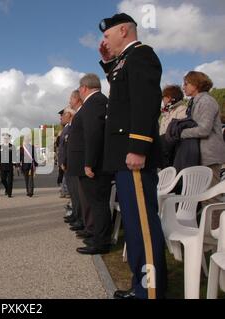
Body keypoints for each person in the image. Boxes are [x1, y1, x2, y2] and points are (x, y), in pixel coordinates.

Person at [99, 13, 167, 299]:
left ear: (123, 30)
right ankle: (142, 287)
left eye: (107, 36)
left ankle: (151, 292)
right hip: (123, 158)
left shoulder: (141, 55)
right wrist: (107, 63)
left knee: (143, 230)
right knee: (135, 228)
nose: (104, 41)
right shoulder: (126, 60)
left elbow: (144, 102)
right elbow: (122, 92)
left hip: (133, 156)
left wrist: (138, 147)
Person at [71, 74, 113, 255]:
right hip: (95, 162)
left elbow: (93, 134)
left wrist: (89, 163)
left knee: (98, 203)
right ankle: (98, 235)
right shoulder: (98, 101)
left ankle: (101, 242)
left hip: (94, 164)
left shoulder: (93, 102)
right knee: (97, 203)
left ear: (84, 88)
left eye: (79, 88)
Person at [181, 71, 225, 229]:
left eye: (186, 83)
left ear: (196, 84)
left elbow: (204, 129)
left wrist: (181, 132)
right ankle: (209, 234)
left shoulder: (206, 101)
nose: (183, 87)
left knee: (212, 198)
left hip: (210, 156)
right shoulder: (195, 102)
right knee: (204, 198)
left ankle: (218, 236)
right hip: (202, 155)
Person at [66, 90, 86, 232]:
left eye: (70, 99)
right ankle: (79, 217)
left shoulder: (81, 115)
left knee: (82, 196)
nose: (69, 102)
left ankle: (83, 221)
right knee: (76, 194)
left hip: (81, 162)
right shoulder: (75, 119)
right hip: (74, 163)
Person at [159, 85, 187, 168]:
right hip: (165, 152)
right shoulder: (166, 112)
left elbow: (177, 132)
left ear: (170, 98)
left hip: (175, 153)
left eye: (164, 97)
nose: (163, 100)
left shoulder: (182, 109)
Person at [0, 133, 17, 198]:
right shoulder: (0, 147)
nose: (6, 140)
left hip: (10, 166)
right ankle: (7, 188)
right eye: (4, 138)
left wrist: (14, 165)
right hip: (2, 166)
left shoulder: (12, 146)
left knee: (10, 180)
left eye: (7, 138)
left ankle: (9, 193)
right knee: (3, 179)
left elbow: (14, 156)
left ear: (9, 139)